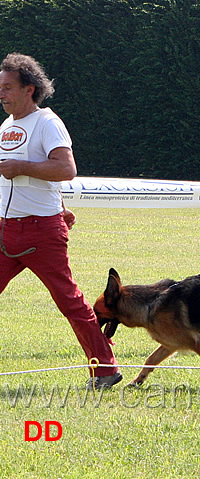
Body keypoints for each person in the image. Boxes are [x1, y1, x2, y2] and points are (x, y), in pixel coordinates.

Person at [0, 53, 121, 389]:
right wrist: (61, 205)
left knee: (70, 302)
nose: (1, 93)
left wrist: (23, 170)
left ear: (29, 89)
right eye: (0, 87)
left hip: (40, 233)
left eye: (8, 87)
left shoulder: (47, 123)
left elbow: (66, 169)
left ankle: (106, 370)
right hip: (6, 231)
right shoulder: (7, 127)